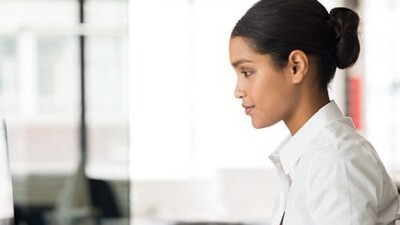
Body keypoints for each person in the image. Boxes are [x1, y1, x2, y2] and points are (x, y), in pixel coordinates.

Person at [228, 0, 400, 224]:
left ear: (296, 67)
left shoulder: (336, 160)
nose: (238, 91)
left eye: (247, 72)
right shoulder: (308, 159)